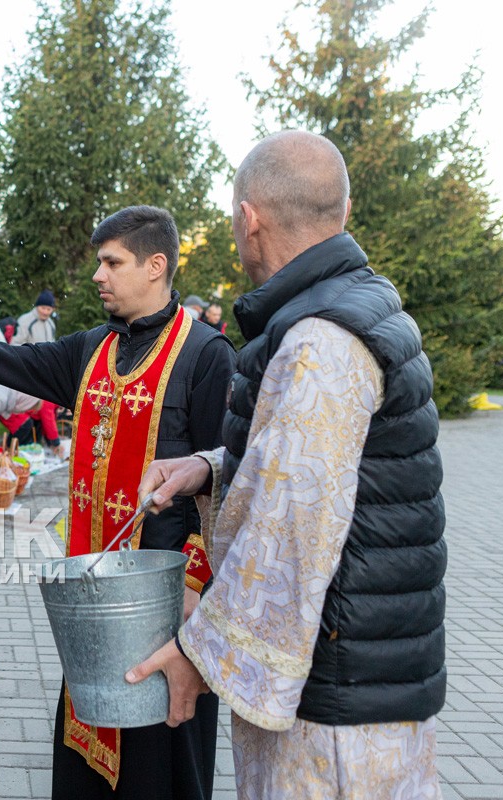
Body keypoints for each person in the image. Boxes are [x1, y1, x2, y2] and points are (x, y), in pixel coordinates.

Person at [0, 204, 235, 799]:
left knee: (160, 770)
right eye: (99, 263)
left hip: (166, 608)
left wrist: (197, 589)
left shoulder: (207, 354)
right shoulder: (91, 348)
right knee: (85, 760)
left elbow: (225, 480)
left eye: (112, 262)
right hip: (94, 594)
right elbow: (2, 360)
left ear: (156, 265)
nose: (98, 275)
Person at [131, 131, 445, 798]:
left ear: (249, 218)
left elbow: (292, 524)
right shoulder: (350, 307)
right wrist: (211, 466)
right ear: (344, 210)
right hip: (362, 679)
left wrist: (196, 653)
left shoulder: (320, 339)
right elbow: (325, 461)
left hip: (334, 705)